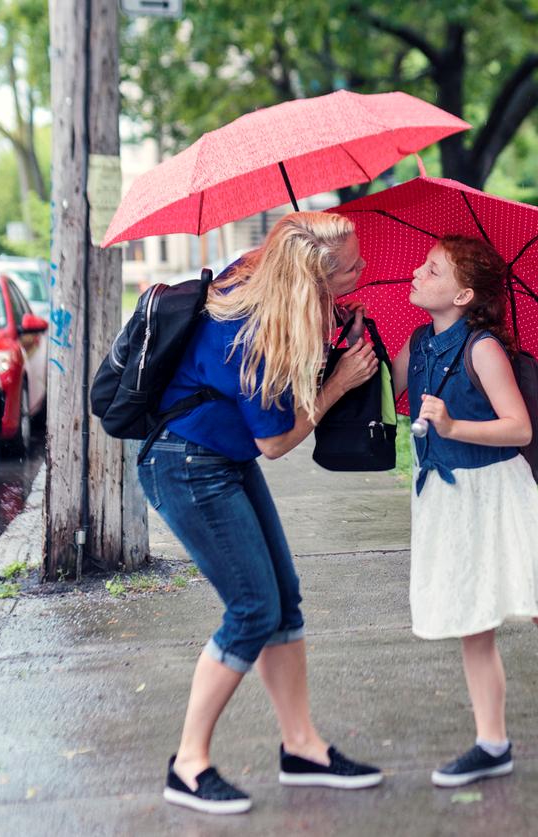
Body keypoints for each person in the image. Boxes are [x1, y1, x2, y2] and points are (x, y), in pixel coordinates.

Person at [140, 211, 382, 814]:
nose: (365, 269)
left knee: (284, 600)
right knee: (253, 610)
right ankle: (189, 764)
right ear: (314, 277)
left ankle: (302, 747)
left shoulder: (270, 286)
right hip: (188, 466)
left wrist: (330, 333)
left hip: (221, 459)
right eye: (352, 267)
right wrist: (341, 383)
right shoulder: (247, 331)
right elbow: (274, 443)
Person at [390, 235, 538, 787]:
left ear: (463, 295)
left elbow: (518, 428)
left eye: (432, 270)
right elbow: (387, 388)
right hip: (445, 498)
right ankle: (491, 742)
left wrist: (453, 426)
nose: (417, 273)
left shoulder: (483, 349)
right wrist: (354, 342)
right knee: (472, 621)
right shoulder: (418, 343)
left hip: (495, 493)